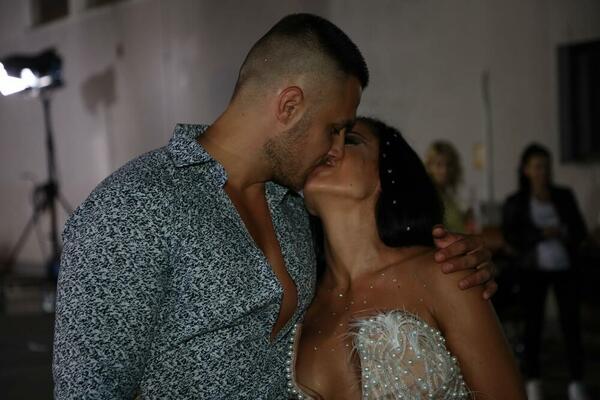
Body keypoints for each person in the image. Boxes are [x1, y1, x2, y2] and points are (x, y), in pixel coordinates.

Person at [53, 14, 497, 399]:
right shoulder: (134, 207)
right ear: (289, 105)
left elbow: (374, 269)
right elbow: (88, 390)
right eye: (334, 129)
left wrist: (466, 257)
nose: (334, 149)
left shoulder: (293, 210)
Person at [287, 117, 524, 399]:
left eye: (350, 140)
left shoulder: (447, 271)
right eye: (325, 137)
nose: (329, 148)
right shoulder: (298, 303)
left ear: (387, 173)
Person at [502, 143, 589, 400]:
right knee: (533, 325)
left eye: (546, 167)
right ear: (526, 170)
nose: (543, 172)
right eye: (538, 167)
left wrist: (564, 233)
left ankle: (576, 381)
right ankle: (533, 381)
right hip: (533, 270)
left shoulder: (563, 196)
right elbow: (512, 236)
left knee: (571, 325)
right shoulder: (517, 202)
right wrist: (541, 234)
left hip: (564, 268)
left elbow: (579, 229)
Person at [426, 140, 468, 233]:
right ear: (429, 166)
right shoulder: (428, 196)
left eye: (448, 165)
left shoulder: (446, 195)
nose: (444, 171)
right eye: (438, 164)